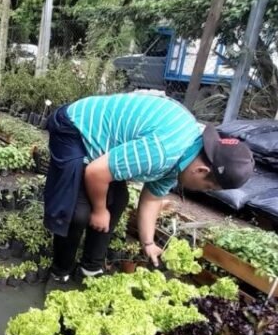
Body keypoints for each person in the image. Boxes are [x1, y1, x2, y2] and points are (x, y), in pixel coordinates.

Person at [44, 93, 254, 283]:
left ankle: (91, 268)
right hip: (75, 127)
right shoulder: (164, 152)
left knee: (117, 201)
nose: (202, 191)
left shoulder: (186, 157)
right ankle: (61, 270)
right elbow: (95, 172)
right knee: (77, 213)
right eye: (207, 186)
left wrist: (148, 243)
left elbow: (152, 199)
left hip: (108, 144)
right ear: (200, 170)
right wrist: (99, 210)